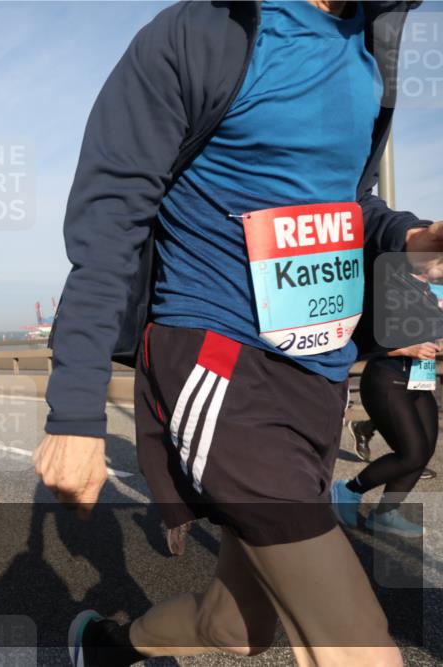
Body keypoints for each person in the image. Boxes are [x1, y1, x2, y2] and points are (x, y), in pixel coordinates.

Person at [33, 2, 440, 666]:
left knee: (236, 626)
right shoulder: (204, 34)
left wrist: (407, 236)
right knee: (359, 647)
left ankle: (104, 648)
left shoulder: (365, 52)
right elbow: (109, 222)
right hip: (221, 363)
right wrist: (75, 412)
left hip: (320, 377)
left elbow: (344, 201)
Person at [333, 340, 438, 537]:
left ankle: (384, 514)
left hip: (420, 379)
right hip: (386, 379)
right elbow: (361, 343)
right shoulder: (387, 316)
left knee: (424, 452)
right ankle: (349, 490)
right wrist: (406, 349)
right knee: (413, 455)